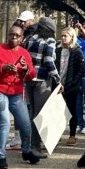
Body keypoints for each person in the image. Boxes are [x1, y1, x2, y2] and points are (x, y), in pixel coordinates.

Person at [0, 24, 45, 169]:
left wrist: (26, 68)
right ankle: (1, 156)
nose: (13, 38)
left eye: (17, 36)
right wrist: (2, 68)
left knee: (25, 122)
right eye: (11, 35)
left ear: (22, 38)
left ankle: (27, 151)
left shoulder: (24, 53)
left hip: (15, 92)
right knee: (5, 122)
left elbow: (32, 75)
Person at [25, 16, 60, 150]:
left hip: (29, 78)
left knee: (32, 111)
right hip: (42, 80)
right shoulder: (49, 41)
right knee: (40, 114)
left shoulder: (30, 39)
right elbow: (49, 61)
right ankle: (36, 145)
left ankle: (29, 142)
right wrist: (57, 78)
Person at [57, 27, 85, 146]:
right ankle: (57, 135)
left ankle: (72, 135)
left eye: (66, 36)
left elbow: (81, 70)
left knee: (71, 110)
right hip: (58, 84)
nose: (63, 38)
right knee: (57, 111)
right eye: (62, 35)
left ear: (72, 37)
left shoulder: (76, 50)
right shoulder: (57, 50)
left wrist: (73, 82)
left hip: (71, 86)